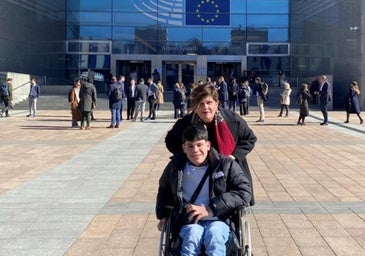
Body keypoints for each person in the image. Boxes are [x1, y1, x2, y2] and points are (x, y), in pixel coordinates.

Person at [156, 124, 252, 256]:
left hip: (219, 218)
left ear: (208, 145)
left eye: (199, 145)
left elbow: (244, 192)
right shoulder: (175, 167)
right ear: (183, 148)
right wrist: (163, 215)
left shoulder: (226, 165)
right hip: (189, 219)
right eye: (190, 146)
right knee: (192, 235)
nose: (195, 150)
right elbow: (164, 189)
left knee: (214, 235)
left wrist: (211, 209)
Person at [165, 84, 257, 206]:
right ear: (195, 106)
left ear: (216, 103)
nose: (205, 107)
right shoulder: (186, 123)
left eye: (209, 102)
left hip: (227, 173)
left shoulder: (232, 120)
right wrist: (187, 156)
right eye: (200, 104)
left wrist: (233, 156)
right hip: (197, 175)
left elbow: (250, 139)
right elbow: (170, 140)